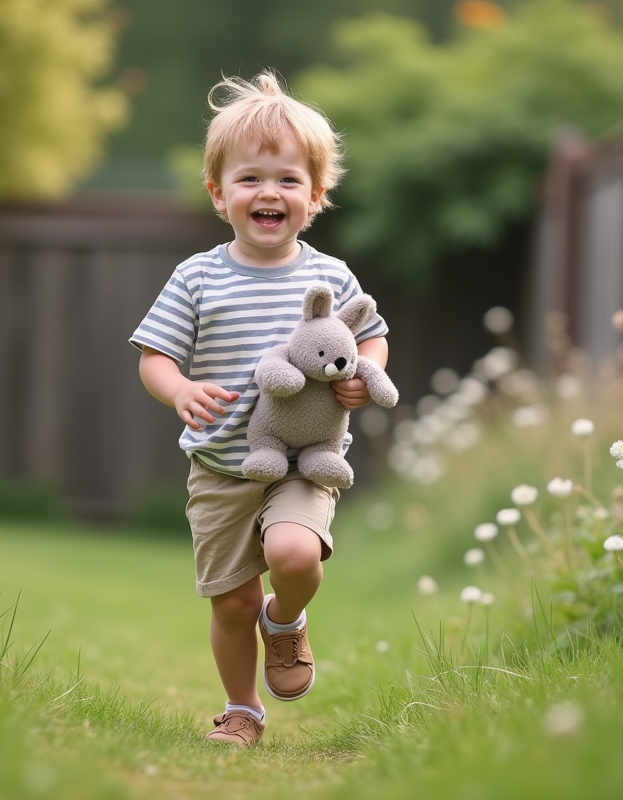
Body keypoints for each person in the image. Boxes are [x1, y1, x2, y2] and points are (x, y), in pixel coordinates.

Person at [129, 70, 390, 748]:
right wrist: (179, 389)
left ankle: (285, 618)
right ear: (219, 194)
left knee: (294, 555)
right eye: (249, 178)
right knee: (232, 602)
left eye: (287, 180)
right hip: (221, 466)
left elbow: (370, 338)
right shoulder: (197, 277)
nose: (268, 192)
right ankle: (242, 709)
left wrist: (365, 379)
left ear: (315, 196)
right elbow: (154, 356)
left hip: (305, 458)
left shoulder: (329, 277)